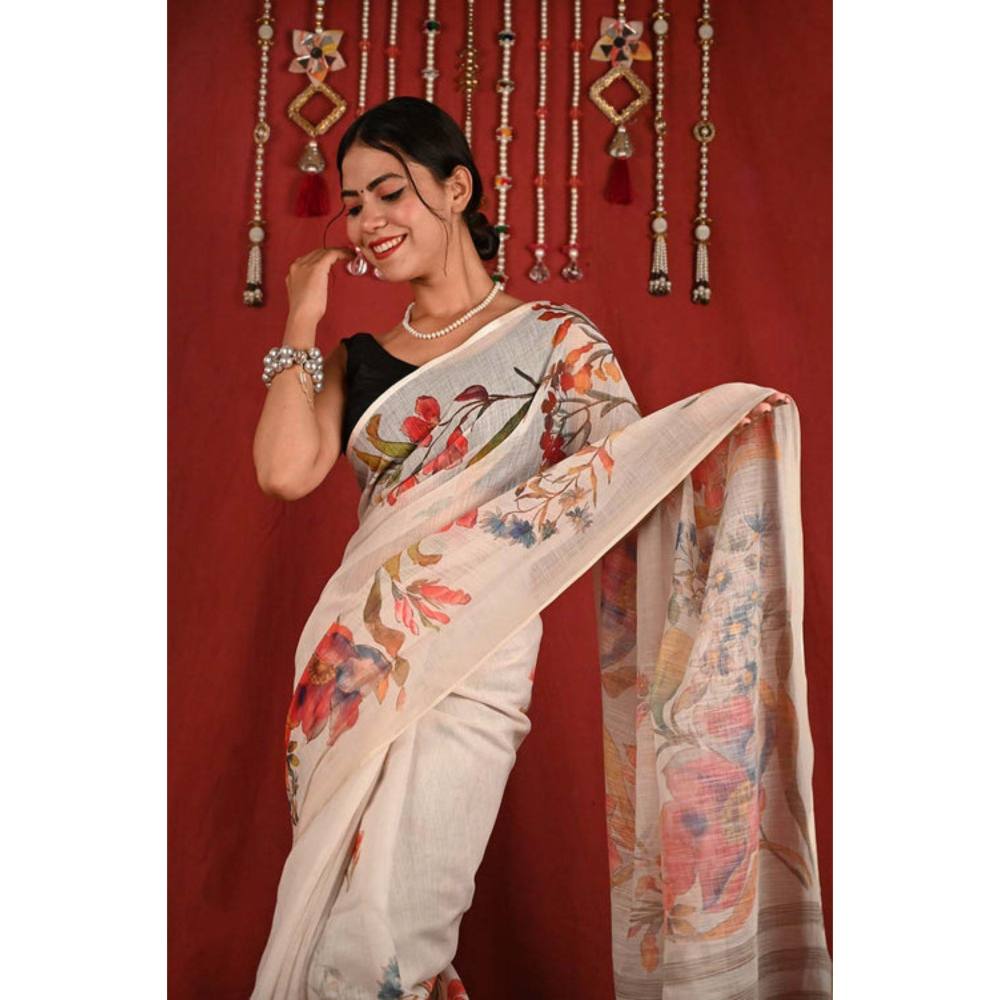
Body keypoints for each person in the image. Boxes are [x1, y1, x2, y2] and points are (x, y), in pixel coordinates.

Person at [250, 98, 828, 1000]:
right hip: (352, 663)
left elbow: (628, 478)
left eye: (391, 192)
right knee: (334, 926)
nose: (367, 221)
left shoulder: (556, 344)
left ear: (457, 189)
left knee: (394, 939)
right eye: (352, 203)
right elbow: (284, 472)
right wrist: (301, 321)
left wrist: (724, 428)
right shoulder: (356, 358)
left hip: (476, 658)